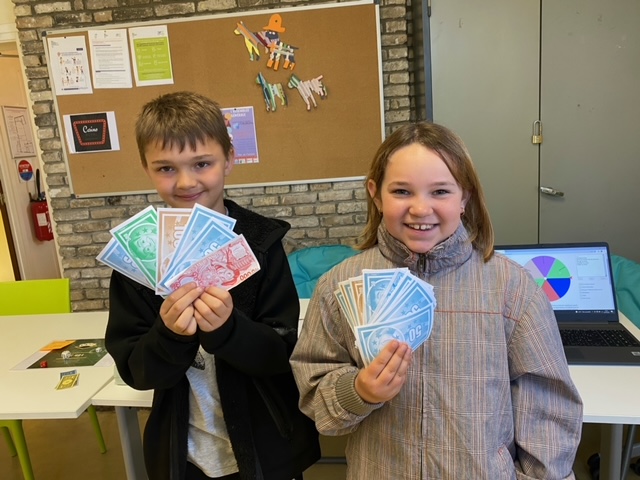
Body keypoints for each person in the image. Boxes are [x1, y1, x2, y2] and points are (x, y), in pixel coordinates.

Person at [290, 122, 583, 479]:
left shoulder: (513, 288)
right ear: (376, 195)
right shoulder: (339, 286)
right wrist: (359, 391)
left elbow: (549, 411)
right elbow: (315, 391)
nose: (420, 208)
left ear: (465, 197)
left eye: (440, 191)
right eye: (401, 191)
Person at [105, 91, 320, 480]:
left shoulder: (262, 245)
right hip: (184, 457)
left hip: (267, 451)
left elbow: (281, 354)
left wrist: (228, 329)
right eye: (166, 168)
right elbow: (137, 373)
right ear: (146, 168)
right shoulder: (135, 261)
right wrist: (169, 335)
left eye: (202, 163)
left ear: (229, 159)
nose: (186, 182)